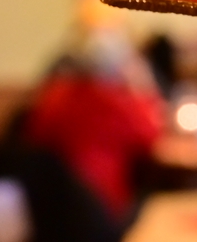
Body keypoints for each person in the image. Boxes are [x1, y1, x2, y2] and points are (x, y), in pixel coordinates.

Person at [23, 20, 166, 221]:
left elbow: (34, 136)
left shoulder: (54, 97)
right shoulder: (115, 103)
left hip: (53, 207)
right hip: (104, 208)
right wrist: (142, 88)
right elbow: (152, 137)